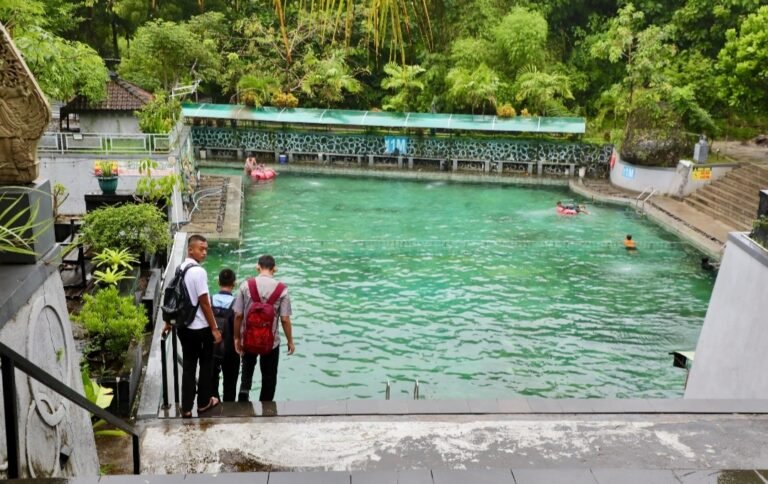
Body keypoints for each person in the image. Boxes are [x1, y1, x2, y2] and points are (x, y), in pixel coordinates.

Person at [163, 234, 222, 418]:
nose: (204, 252)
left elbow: (174, 296)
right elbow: (204, 302)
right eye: (201, 249)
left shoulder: (181, 268)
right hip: (200, 329)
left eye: (206, 249)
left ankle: (186, 407)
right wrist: (214, 328)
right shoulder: (199, 272)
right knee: (206, 365)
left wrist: (168, 322)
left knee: (188, 366)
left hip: (183, 327)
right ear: (190, 249)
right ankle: (204, 403)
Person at [233, 255, 295, 402]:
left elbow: (238, 315)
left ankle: (244, 392)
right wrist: (290, 341)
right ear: (275, 269)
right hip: (271, 342)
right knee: (269, 376)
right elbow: (285, 319)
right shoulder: (282, 290)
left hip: (248, 338)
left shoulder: (245, 285)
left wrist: (237, 338)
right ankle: (266, 406)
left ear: (257, 267)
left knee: (247, 370)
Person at [211, 268, 240, 402]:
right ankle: (229, 407)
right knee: (230, 382)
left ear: (218, 282)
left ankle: (214, 402)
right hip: (231, 349)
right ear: (234, 284)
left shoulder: (210, 301)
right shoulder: (237, 303)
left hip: (213, 347)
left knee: (212, 379)